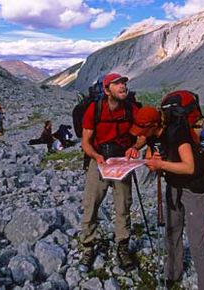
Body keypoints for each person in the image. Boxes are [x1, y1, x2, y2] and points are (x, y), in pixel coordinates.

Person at [130, 106, 204, 290]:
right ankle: (172, 273)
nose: (140, 135)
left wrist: (160, 163)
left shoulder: (177, 132)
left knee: (197, 242)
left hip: (195, 188)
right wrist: (150, 161)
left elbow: (189, 167)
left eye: (143, 131)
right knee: (172, 231)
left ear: (154, 124)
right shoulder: (152, 134)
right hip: (173, 185)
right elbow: (150, 157)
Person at [79, 73, 141, 272]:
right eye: (117, 84)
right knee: (91, 205)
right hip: (99, 161)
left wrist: (136, 147)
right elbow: (85, 142)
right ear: (107, 90)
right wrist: (96, 157)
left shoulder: (131, 109)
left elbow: (142, 134)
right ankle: (88, 245)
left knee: (123, 205)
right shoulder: (94, 109)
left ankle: (122, 246)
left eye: (124, 83)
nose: (123, 86)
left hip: (122, 161)